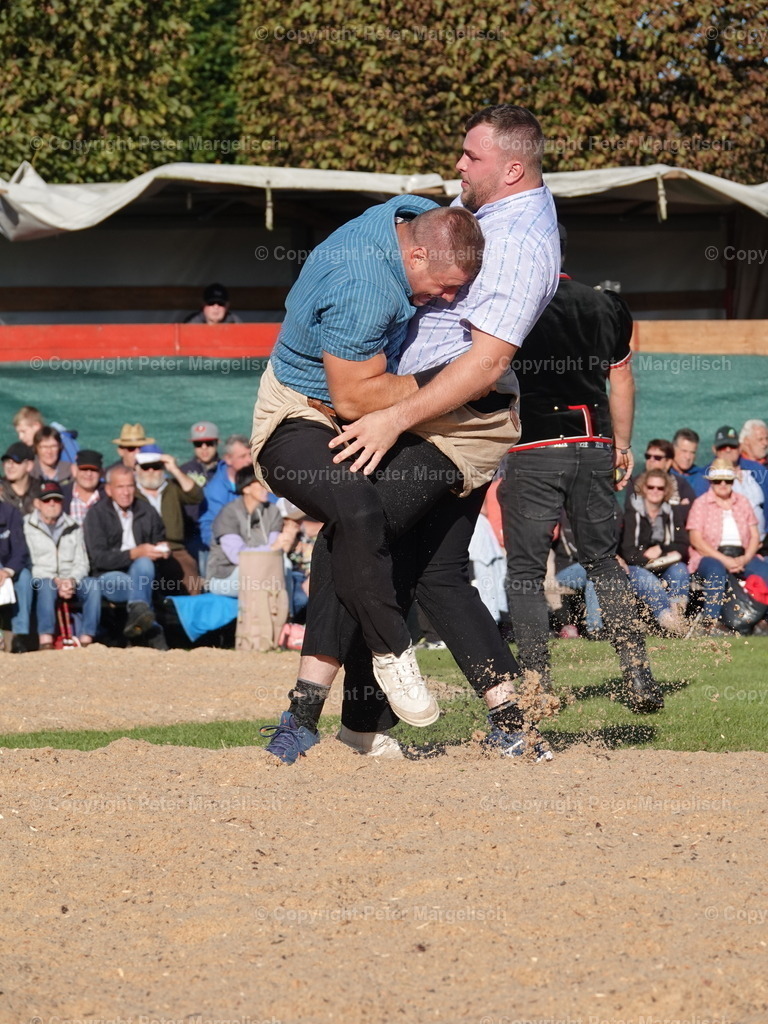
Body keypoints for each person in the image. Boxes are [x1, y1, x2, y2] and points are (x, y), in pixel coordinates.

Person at [256, 104, 560, 762]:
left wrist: (391, 415)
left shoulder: (519, 243)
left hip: (455, 423)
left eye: (472, 156)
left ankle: (304, 716)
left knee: (351, 534)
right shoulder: (480, 215)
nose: (458, 165)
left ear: (512, 168)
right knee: (434, 572)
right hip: (438, 414)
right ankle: (506, 719)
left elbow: (485, 364)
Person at [498, 227, 665, 713]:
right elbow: (621, 377)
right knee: (603, 561)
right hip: (593, 445)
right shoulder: (605, 304)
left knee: (525, 573)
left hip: (534, 447)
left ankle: (537, 686)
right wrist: (623, 446)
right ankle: (637, 671)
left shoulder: (511, 304)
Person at [83, 464, 169, 643]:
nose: (126, 492)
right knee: (140, 584)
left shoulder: (147, 511)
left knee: (144, 564)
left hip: (143, 572)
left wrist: (161, 550)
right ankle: (152, 630)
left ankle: (138, 619)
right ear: (109, 490)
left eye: (130, 486)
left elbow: (158, 538)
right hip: (109, 576)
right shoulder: (96, 514)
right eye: (120, 487)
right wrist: (133, 553)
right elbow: (99, 558)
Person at [687, 459, 768, 631]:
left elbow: (755, 535)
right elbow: (696, 540)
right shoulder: (701, 504)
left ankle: (763, 619)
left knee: (765, 571)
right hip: (711, 555)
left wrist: (745, 558)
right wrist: (725, 560)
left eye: (728, 480)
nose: (723, 484)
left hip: (742, 554)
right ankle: (711, 622)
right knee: (715, 570)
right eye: (718, 481)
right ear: (711, 482)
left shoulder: (743, 502)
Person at [23, 480, 101, 648]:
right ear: (37, 503)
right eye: (46, 500)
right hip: (41, 579)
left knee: (93, 585)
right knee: (47, 586)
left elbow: (82, 562)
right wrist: (54, 580)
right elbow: (27, 563)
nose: (52, 504)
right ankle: (46, 640)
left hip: (70, 579)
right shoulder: (26, 526)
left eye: (56, 500)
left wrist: (71, 580)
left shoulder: (73, 526)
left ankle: (87, 639)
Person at [619, 469, 691, 635]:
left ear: (666, 490)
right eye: (651, 487)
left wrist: (660, 549)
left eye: (660, 488)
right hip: (637, 567)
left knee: (680, 570)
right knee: (649, 581)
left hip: (663, 565)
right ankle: (669, 623)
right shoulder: (632, 512)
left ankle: (677, 618)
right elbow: (629, 553)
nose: (655, 491)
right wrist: (650, 559)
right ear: (644, 488)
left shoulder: (671, 511)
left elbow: (682, 545)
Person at [205, 466, 292, 595]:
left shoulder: (273, 511)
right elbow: (237, 556)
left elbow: (277, 548)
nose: (266, 488)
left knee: (285, 565)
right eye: (261, 484)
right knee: (264, 575)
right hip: (225, 575)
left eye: (266, 483)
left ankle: (286, 607)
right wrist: (272, 549)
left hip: (262, 567)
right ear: (246, 488)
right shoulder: (229, 513)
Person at [134, 445, 203, 595]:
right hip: (142, 549)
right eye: (145, 467)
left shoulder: (172, 487)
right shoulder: (131, 492)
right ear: (137, 469)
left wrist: (175, 470)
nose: (151, 471)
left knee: (192, 583)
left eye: (156, 467)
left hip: (174, 549)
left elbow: (196, 496)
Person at [706, 425, 765, 538]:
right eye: (723, 447)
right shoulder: (708, 474)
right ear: (714, 449)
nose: (728, 450)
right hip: (725, 540)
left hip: (762, 539)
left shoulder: (757, 469)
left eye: (732, 446)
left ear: (740, 448)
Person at [198, 434, 254, 551]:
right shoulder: (215, 490)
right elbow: (209, 527)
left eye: (250, 455)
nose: (249, 460)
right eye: (243, 456)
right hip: (226, 546)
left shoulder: (259, 479)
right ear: (228, 459)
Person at [181, 421, 221, 562]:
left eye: (209, 443)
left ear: (217, 443)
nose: (204, 448)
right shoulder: (184, 471)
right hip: (192, 531)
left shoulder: (226, 470)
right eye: (198, 444)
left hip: (220, 529)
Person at [0, 497, 33, 652]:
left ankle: (19, 636)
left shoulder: (11, 513)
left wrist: (7, 571)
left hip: (8, 569)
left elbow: (20, 551)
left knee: (25, 577)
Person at [624, 439, 696, 507]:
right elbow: (630, 508)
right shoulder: (636, 483)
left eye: (657, 457)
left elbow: (692, 507)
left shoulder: (680, 484)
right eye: (648, 456)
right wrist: (678, 507)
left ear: (668, 462)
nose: (651, 460)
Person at [13, 406, 79, 464]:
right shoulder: (31, 449)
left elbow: (74, 467)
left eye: (23, 431)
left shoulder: (63, 440)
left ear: (36, 426)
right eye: (18, 433)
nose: (20, 437)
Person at [61, 450, 105, 525]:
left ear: (101, 473)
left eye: (94, 470)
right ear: (74, 470)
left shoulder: (110, 496)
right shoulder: (61, 495)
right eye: (84, 469)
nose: (89, 474)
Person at [1, 442, 42, 515]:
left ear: (29, 465)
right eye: (7, 461)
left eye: (16, 461)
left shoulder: (41, 490)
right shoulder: (1, 491)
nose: (10, 466)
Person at [670, 428, 708, 498]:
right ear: (673, 449)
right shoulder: (664, 474)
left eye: (692, 452)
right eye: (684, 451)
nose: (688, 457)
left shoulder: (700, 478)